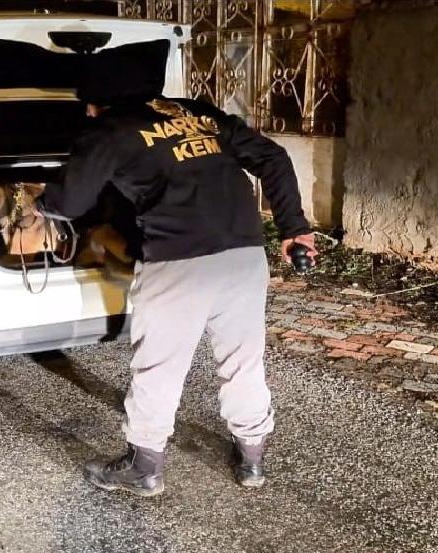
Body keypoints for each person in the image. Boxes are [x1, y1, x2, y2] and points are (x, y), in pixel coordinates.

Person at [38, 40, 316, 496]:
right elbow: (274, 157)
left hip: (178, 263)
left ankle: (144, 467)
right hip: (244, 256)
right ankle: (252, 458)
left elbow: (69, 203)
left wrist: (40, 200)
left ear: (101, 100)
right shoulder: (198, 113)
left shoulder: (108, 129)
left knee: (159, 366)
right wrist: (294, 228)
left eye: (88, 102)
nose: (87, 111)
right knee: (243, 359)